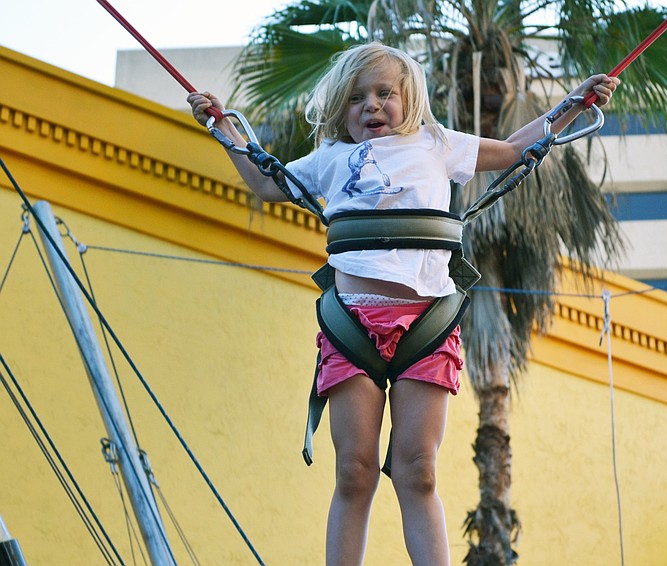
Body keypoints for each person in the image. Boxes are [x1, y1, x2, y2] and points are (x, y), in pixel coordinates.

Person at [188, 41, 618, 566]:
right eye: (356, 98)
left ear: (408, 98)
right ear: (340, 111)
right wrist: (223, 128)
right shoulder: (330, 159)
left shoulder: (436, 144)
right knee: (354, 470)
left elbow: (510, 150)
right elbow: (262, 177)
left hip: (427, 324)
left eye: (384, 93)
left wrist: (572, 103)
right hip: (353, 324)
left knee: (419, 471)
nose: (371, 105)